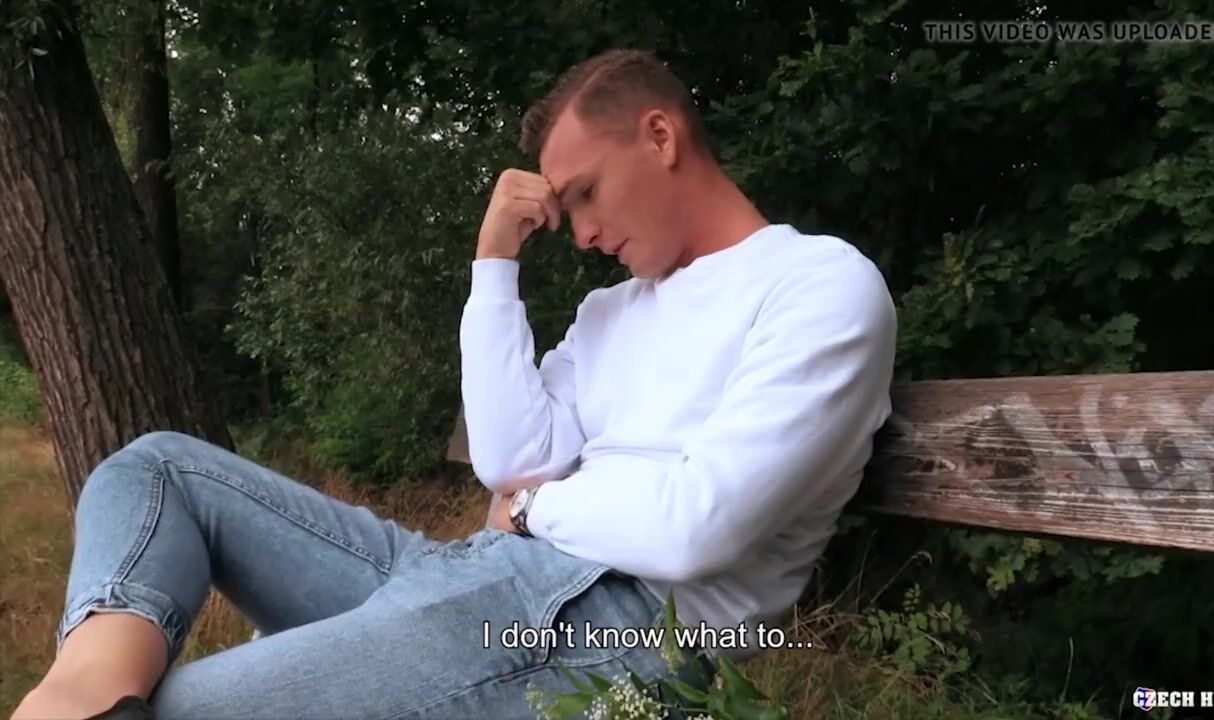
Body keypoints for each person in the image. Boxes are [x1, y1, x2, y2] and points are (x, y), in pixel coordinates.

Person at [12, 48, 896, 720]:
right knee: (157, 467)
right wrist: (494, 261)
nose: (581, 233)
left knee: (183, 711)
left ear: (660, 137)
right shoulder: (613, 312)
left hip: (612, 631)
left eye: (585, 194)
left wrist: (534, 511)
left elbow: (698, 527)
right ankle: (82, 685)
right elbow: (508, 459)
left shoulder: (818, 287)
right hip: (481, 576)